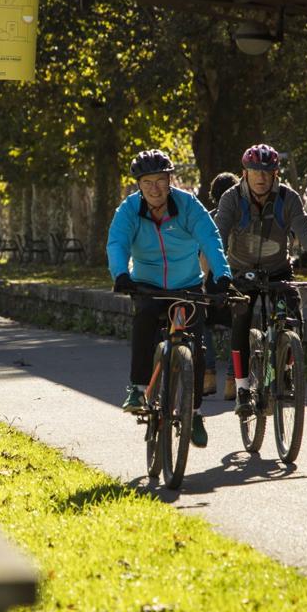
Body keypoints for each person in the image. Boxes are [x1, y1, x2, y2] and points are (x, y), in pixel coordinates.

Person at [214, 143, 307, 418]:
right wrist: (217, 275)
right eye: (255, 172)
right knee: (241, 319)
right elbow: (217, 236)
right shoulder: (231, 198)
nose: (262, 177)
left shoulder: (288, 198)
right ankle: (242, 388)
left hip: (278, 269)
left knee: (293, 311)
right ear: (245, 172)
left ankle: (287, 363)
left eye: (268, 172)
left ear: (276, 173)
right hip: (241, 271)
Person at [108, 149, 233, 449]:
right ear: (139, 184)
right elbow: (117, 242)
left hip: (187, 284)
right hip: (148, 285)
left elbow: (210, 238)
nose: (155, 188)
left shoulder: (188, 205)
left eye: (161, 181)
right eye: (147, 182)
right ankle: (138, 389)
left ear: (170, 180)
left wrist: (222, 273)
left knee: (198, 345)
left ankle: (196, 412)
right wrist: (120, 275)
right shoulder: (128, 210)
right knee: (144, 319)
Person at [203, 171, 240, 401]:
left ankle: (208, 375)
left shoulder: (207, 218)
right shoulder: (241, 218)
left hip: (212, 281)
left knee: (204, 325)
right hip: (236, 280)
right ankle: (231, 381)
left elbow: (202, 254)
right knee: (238, 327)